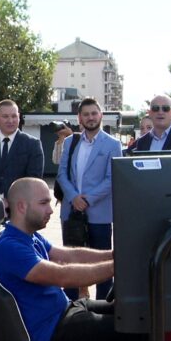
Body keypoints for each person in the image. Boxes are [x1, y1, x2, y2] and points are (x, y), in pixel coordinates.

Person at [0, 178, 148, 341]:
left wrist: (114, 255)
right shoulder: (9, 247)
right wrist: (119, 266)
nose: (51, 210)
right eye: (43, 203)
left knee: (131, 312)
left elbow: (70, 255)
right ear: (22, 206)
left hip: (65, 311)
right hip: (50, 332)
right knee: (133, 328)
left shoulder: (28, 236)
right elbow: (62, 276)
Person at [56, 98, 122, 300]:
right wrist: (74, 197)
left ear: (101, 115)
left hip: (99, 215)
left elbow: (112, 178)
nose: (90, 117)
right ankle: (71, 305)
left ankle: (103, 307)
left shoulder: (113, 144)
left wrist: (88, 199)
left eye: (94, 113)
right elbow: (62, 174)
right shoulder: (70, 142)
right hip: (72, 213)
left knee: (102, 266)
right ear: (79, 118)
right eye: (86, 114)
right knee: (71, 263)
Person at [0, 99, 44, 202]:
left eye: (14, 116)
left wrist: (11, 201)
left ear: (19, 117)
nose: (10, 120)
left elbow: (33, 179)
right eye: (5, 116)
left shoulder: (32, 144)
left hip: (20, 206)